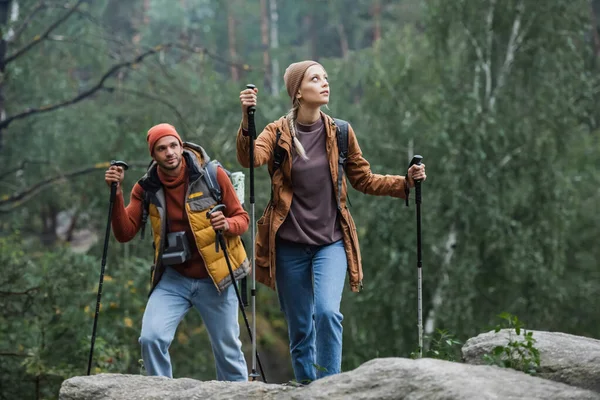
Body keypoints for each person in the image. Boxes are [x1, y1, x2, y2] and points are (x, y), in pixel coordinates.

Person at [236, 61, 427, 384]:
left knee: (327, 313)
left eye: (325, 77)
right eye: (315, 78)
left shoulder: (340, 131)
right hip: (288, 246)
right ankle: (308, 387)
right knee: (300, 328)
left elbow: (363, 179)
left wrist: (404, 182)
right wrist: (246, 119)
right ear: (298, 91)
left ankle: (330, 388)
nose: (325, 83)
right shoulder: (276, 131)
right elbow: (249, 159)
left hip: (331, 241)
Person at [104, 123, 250, 381]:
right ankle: (162, 393)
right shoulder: (146, 188)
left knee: (228, 350)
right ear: (154, 155)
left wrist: (227, 224)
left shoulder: (212, 175)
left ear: (181, 146)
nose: (169, 152)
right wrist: (116, 193)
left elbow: (242, 219)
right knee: (151, 338)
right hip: (174, 279)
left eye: (173, 145)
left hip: (215, 278)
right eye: (161, 148)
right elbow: (124, 233)